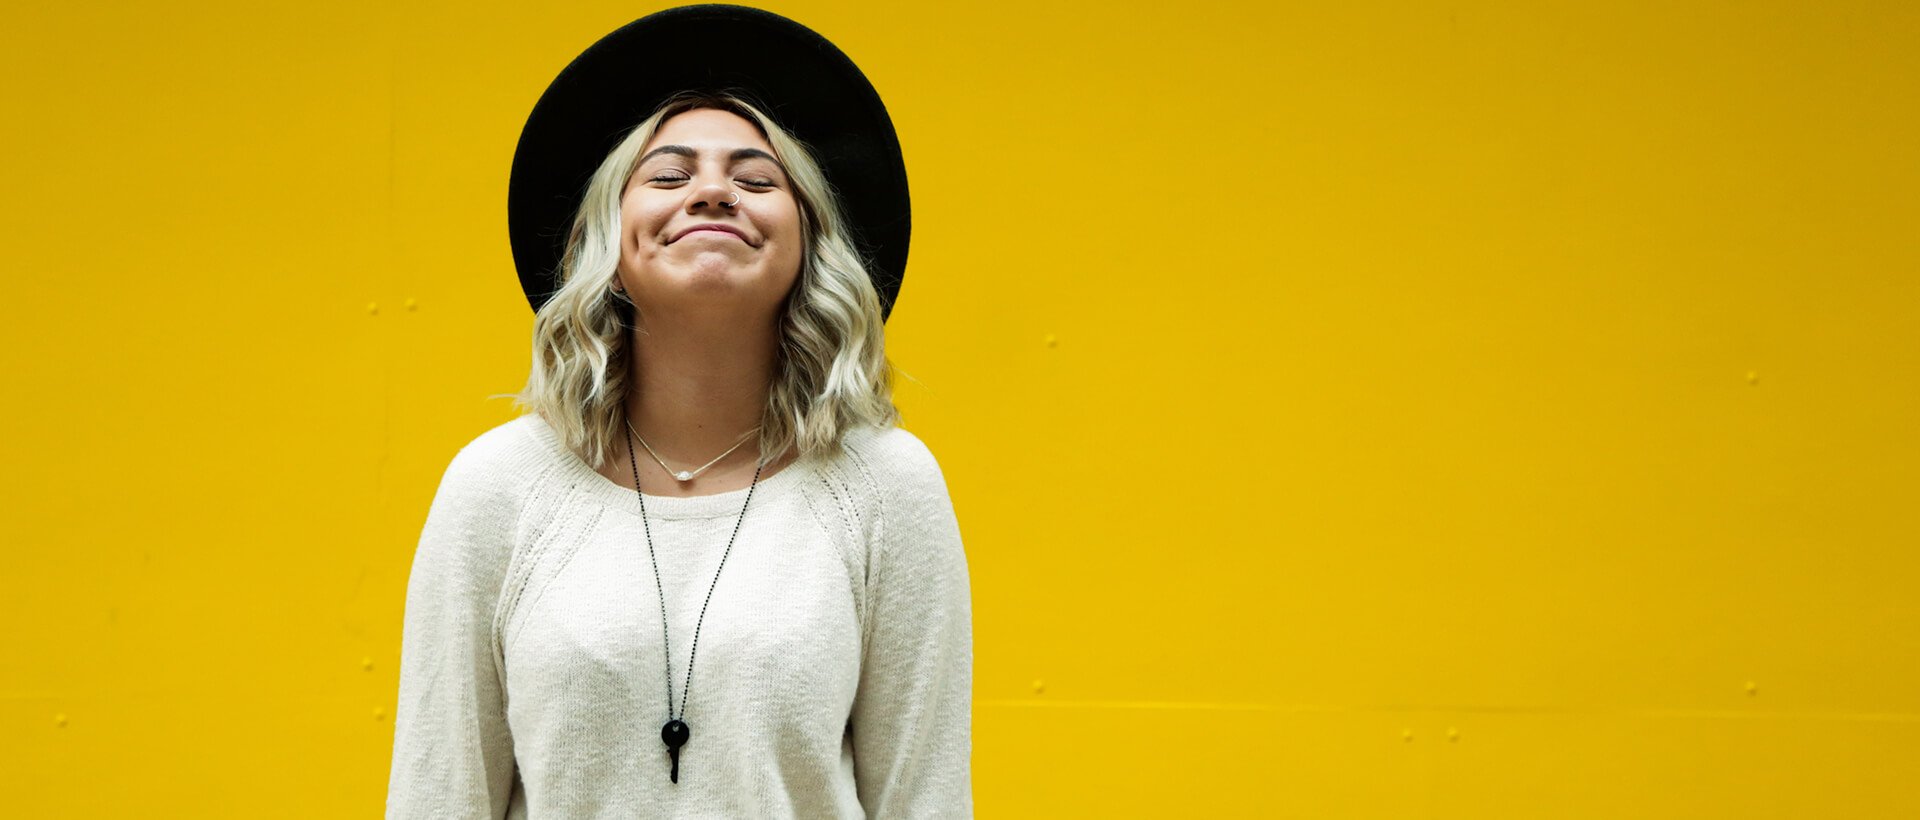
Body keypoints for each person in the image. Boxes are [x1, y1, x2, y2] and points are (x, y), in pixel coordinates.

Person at [384, 6, 972, 818]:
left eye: (757, 180)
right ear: (607, 241)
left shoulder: (885, 488)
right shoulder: (498, 489)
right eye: (668, 176)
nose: (713, 193)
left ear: (808, 244)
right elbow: (436, 796)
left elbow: (926, 800)